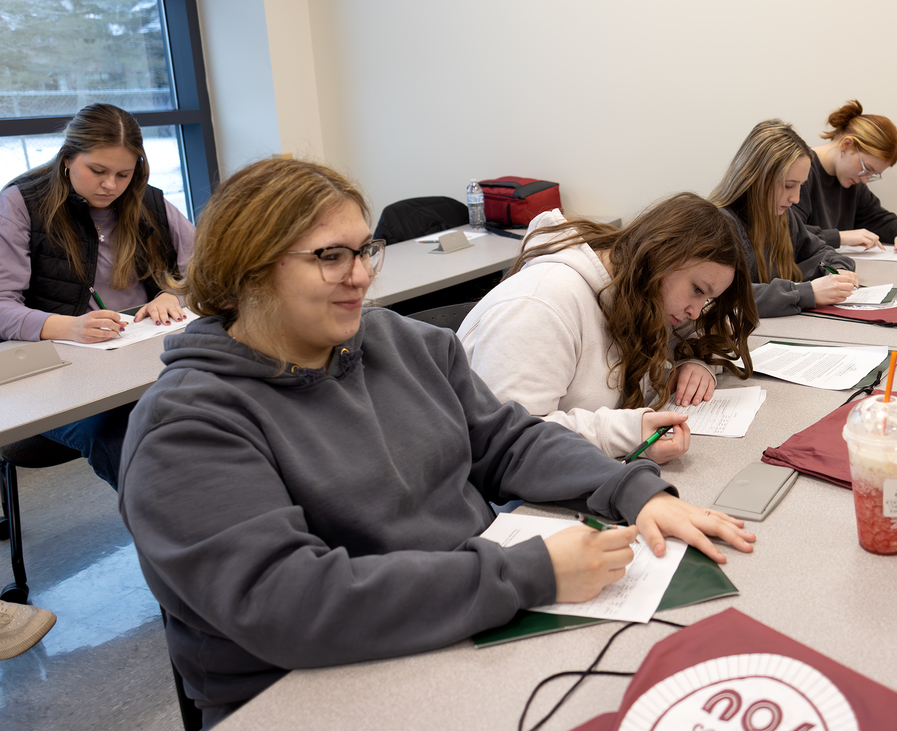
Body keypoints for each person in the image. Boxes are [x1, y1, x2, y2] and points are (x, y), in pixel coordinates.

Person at [117, 158, 756, 727]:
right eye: (330, 256)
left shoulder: (402, 344)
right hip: (306, 685)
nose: (361, 275)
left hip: (462, 612)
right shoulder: (187, 425)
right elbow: (287, 603)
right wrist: (529, 573)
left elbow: (509, 441)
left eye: (366, 250)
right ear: (247, 268)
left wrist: (631, 490)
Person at [457, 193, 759, 465]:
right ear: (661, 254)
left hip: (584, 476)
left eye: (707, 300)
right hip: (498, 508)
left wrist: (697, 363)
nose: (696, 310)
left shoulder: (642, 295)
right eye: (696, 289)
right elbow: (512, 443)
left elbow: (713, 331)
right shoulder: (542, 304)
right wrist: (627, 433)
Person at [0, 103, 194, 489]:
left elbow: (212, 275)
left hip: (145, 360)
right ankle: (177, 533)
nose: (111, 185)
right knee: (122, 430)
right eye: (98, 171)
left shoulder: (149, 202)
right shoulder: (20, 204)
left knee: (223, 402)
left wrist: (175, 295)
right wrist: (68, 327)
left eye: (124, 174)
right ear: (68, 159)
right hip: (63, 377)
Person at [709, 119, 859, 319]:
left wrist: (838, 273)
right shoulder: (718, 225)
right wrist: (808, 293)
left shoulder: (784, 217)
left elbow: (822, 252)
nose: (795, 198)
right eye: (788, 185)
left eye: (800, 186)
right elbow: (724, 296)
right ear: (756, 178)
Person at [793, 100, 897, 258]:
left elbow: (877, 218)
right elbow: (787, 233)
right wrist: (842, 237)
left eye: (872, 174)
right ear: (847, 145)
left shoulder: (850, 182)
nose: (864, 180)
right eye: (867, 169)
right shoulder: (799, 174)